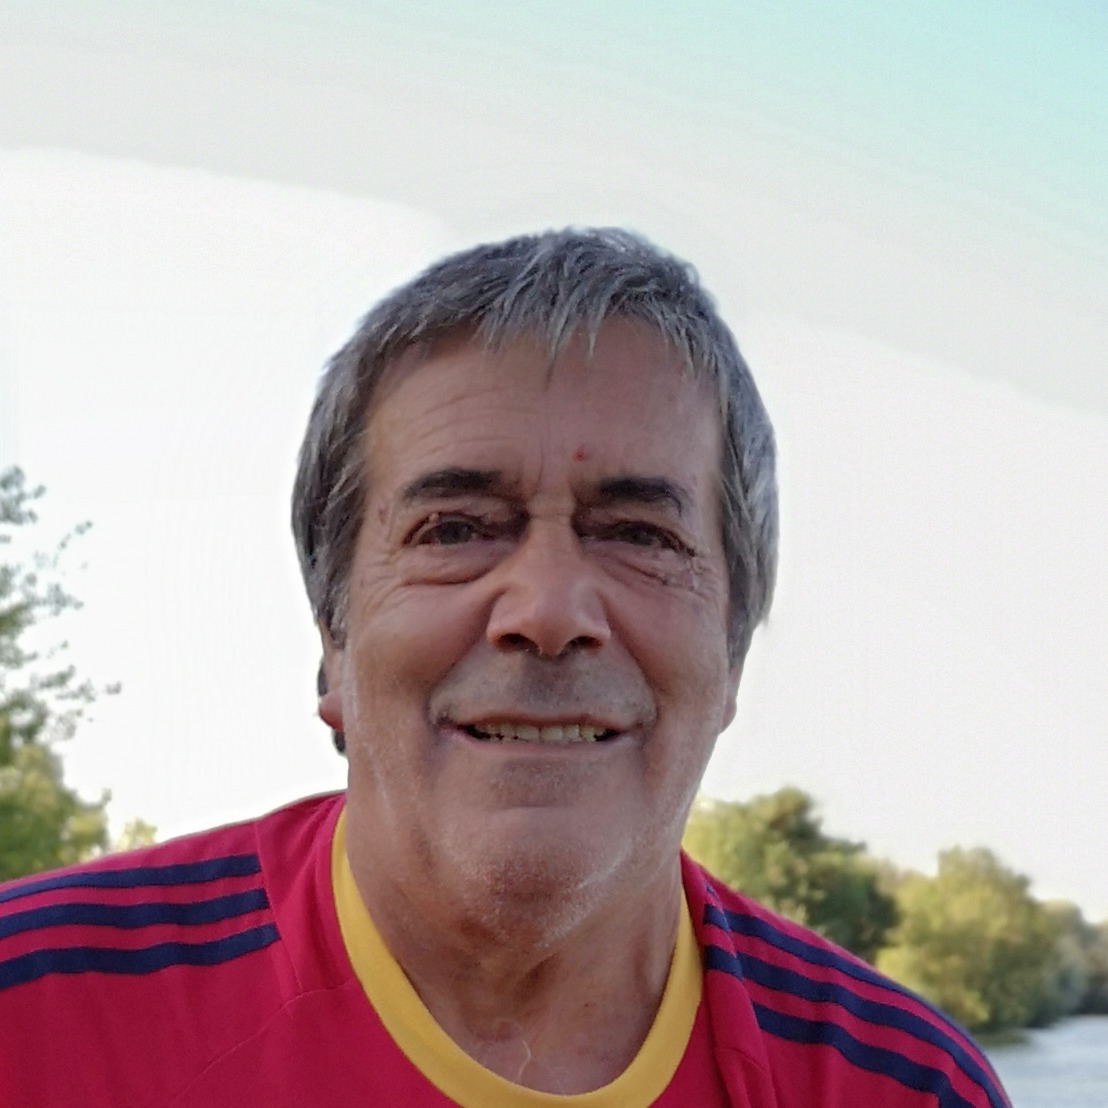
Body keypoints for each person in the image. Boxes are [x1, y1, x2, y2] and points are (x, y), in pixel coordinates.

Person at [0, 229, 1010, 1106]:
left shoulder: (903, 1089)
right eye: (455, 528)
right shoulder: (29, 1017)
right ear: (333, 642)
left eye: (640, 535)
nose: (549, 610)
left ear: (733, 646)